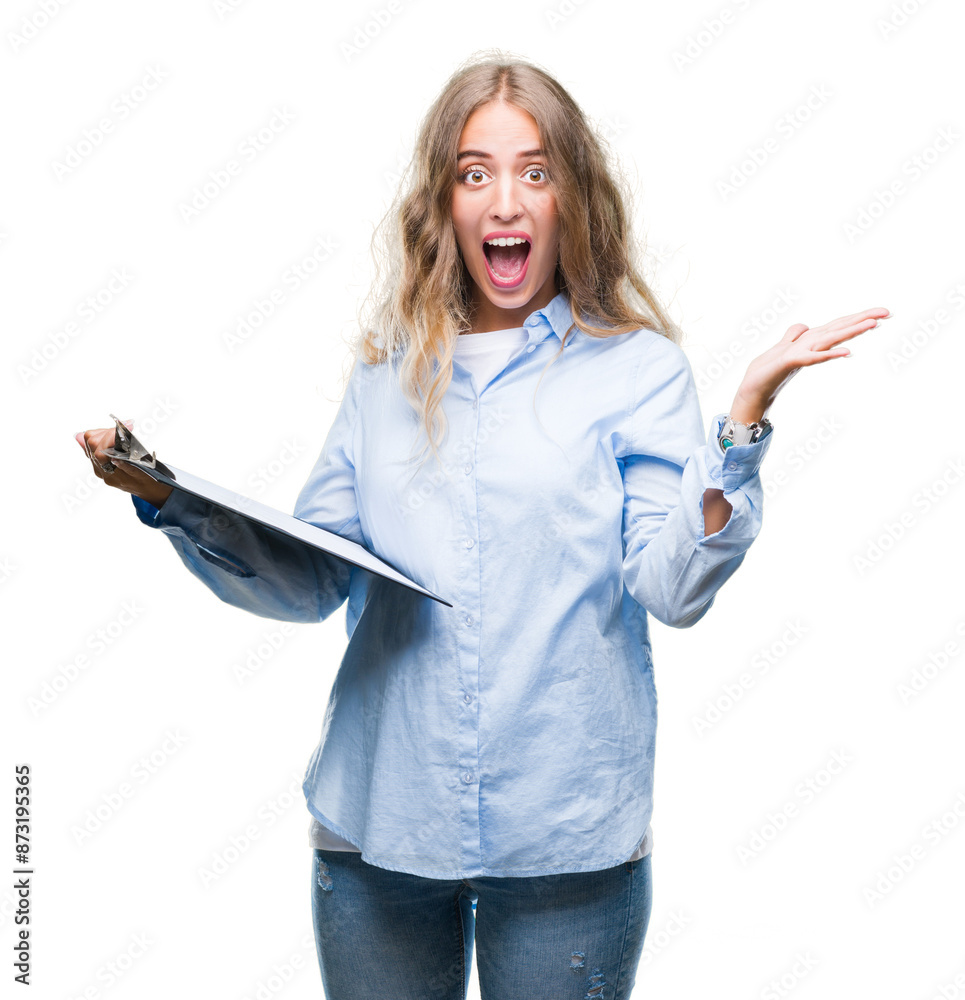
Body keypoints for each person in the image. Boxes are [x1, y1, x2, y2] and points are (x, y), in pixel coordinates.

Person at [76, 53, 889, 1000]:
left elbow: (671, 591)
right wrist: (168, 499)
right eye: (475, 173)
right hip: (380, 823)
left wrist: (742, 422)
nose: (505, 200)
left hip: (567, 838)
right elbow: (313, 581)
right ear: (444, 202)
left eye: (534, 171)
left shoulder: (638, 370)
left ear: (571, 198)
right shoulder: (385, 374)